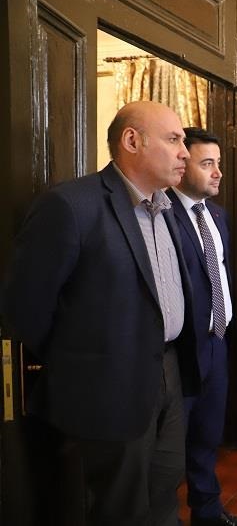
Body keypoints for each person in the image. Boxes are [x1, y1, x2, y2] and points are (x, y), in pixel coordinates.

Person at [1, 101, 200, 525]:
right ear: (132, 140)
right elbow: (25, 308)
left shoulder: (166, 207)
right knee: (119, 508)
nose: (185, 151)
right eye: (173, 139)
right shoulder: (71, 204)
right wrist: (84, 362)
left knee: (165, 491)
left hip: (169, 373)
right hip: (108, 386)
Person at [166, 127, 237, 526]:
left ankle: (208, 512)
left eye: (218, 163)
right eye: (207, 164)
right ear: (182, 166)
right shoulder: (161, 212)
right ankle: (165, 516)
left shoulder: (217, 215)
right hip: (180, 348)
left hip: (218, 341)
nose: (218, 172)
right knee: (170, 444)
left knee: (207, 433)